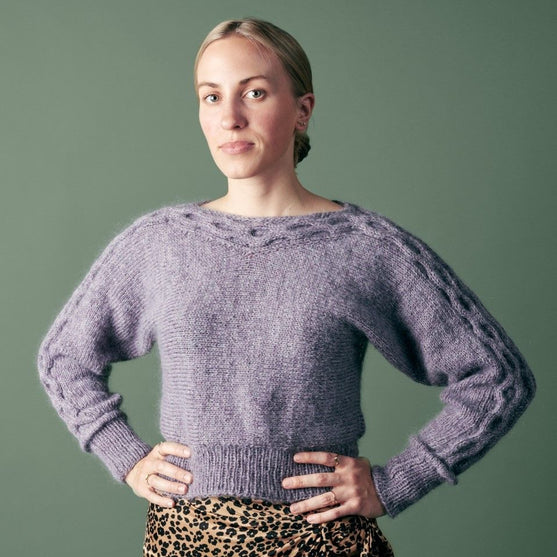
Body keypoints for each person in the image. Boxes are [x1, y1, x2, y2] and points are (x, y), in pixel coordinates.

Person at [37, 17, 536, 557]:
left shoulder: (365, 247)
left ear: (302, 109)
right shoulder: (160, 244)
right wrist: (125, 455)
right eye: (211, 96)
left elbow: (498, 378)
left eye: (254, 92)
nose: (230, 117)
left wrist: (397, 481)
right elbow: (64, 358)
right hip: (184, 541)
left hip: (324, 541)